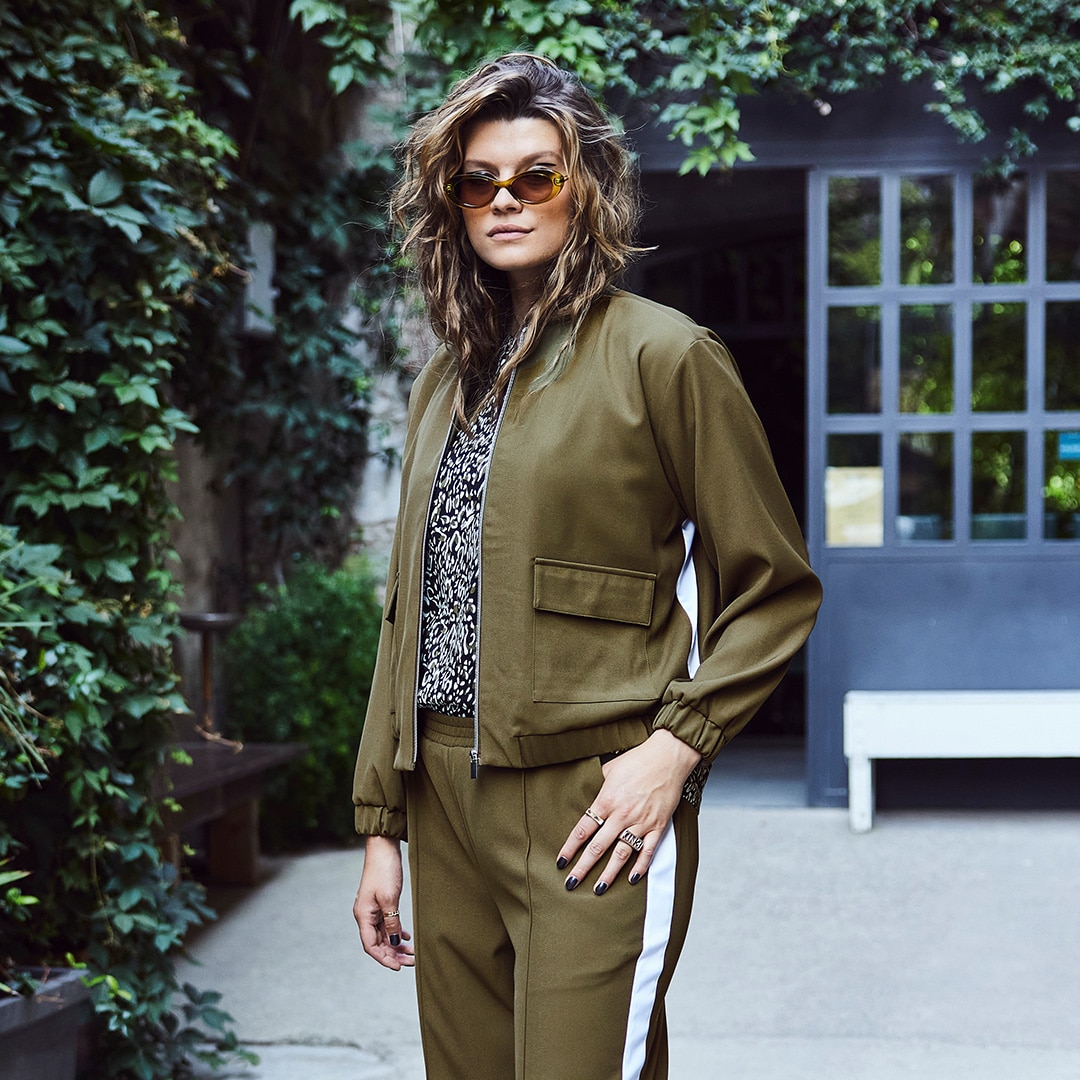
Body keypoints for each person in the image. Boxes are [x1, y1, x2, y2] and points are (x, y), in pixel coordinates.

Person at [352, 52, 822, 1080]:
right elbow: (410, 614)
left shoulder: (665, 356)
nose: (506, 199)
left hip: (593, 800)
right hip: (442, 796)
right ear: (452, 204)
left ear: (588, 190)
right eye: (479, 180)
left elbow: (774, 588)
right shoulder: (447, 378)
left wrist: (675, 750)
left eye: (538, 176)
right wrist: (383, 824)